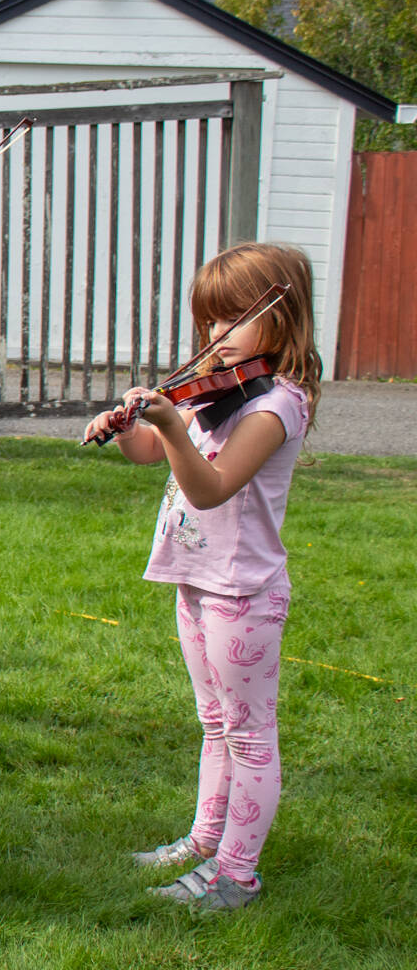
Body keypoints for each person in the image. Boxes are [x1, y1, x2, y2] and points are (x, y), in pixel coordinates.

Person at [82, 243, 319, 912]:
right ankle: (204, 839)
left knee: (248, 731)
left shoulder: (276, 405)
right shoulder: (218, 389)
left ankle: (237, 873)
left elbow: (211, 486)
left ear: (283, 315)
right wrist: (130, 424)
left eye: (234, 318)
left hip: (243, 591)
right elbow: (149, 452)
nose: (216, 336)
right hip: (197, 578)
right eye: (210, 322)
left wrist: (173, 429)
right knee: (213, 721)